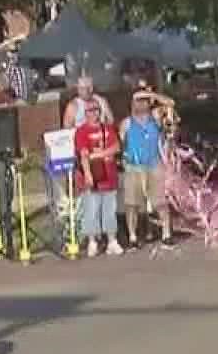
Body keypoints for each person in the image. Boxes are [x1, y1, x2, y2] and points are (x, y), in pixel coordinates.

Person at [120, 92, 171, 248]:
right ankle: (133, 236)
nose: (140, 104)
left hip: (154, 164)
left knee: (160, 202)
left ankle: (166, 233)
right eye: (137, 101)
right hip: (134, 166)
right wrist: (126, 162)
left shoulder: (154, 118)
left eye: (143, 101)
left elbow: (170, 103)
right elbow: (122, 144)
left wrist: (150, 94)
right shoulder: (127, 123)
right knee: (132, 204)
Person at [73, 100, 122, 257]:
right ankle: (92, 241)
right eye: (89, 110)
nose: (93, 113)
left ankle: (112, 241)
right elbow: (84, 154)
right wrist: (87, 174)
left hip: (109, 175)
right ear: (85, 114)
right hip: (94, 175)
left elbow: (116, 147)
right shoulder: (81, 132)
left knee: (110, 210)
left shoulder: (108, 128)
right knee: (92, 210)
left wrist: (99, 154)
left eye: (96, 110)